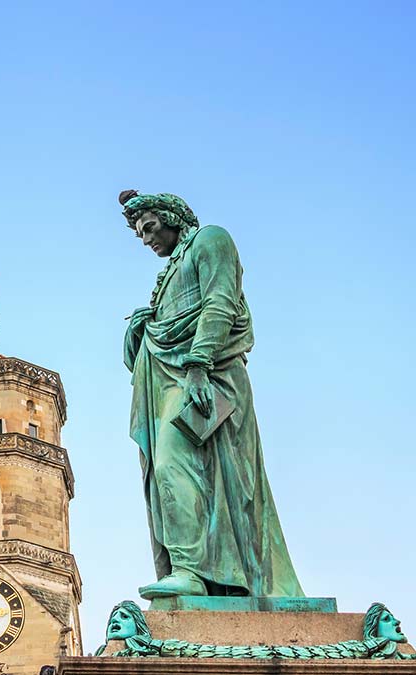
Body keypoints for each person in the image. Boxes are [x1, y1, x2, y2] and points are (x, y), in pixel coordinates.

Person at [121, 190, 303, 598]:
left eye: (150, 227)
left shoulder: (210, 240)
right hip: (170, 381)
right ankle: (195, 571)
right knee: (167, 473)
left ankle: (191, 570)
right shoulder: (167, 275)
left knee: (173, 464)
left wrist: (199, 363)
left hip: (208, 377)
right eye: (140, 234)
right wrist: (140, 328)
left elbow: (220, 301)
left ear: (172, 217)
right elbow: (152, 343)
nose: (146, 239)